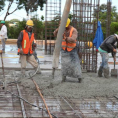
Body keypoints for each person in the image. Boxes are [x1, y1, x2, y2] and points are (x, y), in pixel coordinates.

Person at [53, 18, 83, 83]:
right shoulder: (62, 29)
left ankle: (79, 77)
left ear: (69, 24)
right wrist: (58, 29)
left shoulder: (74, 30)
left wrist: (66, 38)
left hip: (72, 49)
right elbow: (54, 34)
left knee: (75, 64)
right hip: (64, 49)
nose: (65, 27)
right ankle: (64, 77)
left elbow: (73, 39)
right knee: (64, 64)